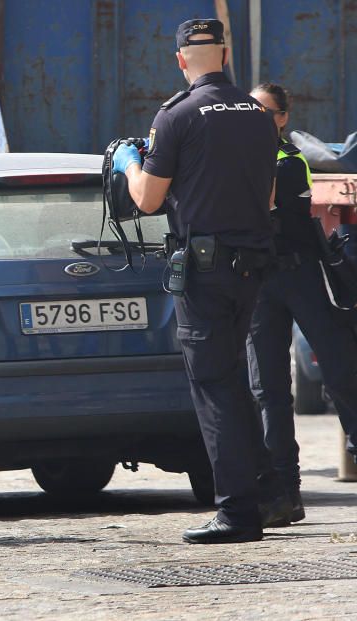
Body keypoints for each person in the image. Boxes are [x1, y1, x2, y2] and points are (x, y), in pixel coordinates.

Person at [113, 19, 279, 544]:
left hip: (205, 271)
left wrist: (128, 163)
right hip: (250, 265)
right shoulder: (258, 114)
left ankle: (236, 512)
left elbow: (148, 200)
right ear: (225, 56)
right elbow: (269, 198)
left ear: (181, 60)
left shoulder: (177, 115)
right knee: (233, 380)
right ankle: (268, 493)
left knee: (215, 387)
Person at [245, 82, 357, 526]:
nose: (255, 119)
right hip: (258, 281)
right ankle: (283, 492)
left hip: (301, 274)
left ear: (282, 118)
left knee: (339, 369)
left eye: (264, 112)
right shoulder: (243, 158)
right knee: (267, 389)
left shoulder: (289, 160)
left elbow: (263, 201)